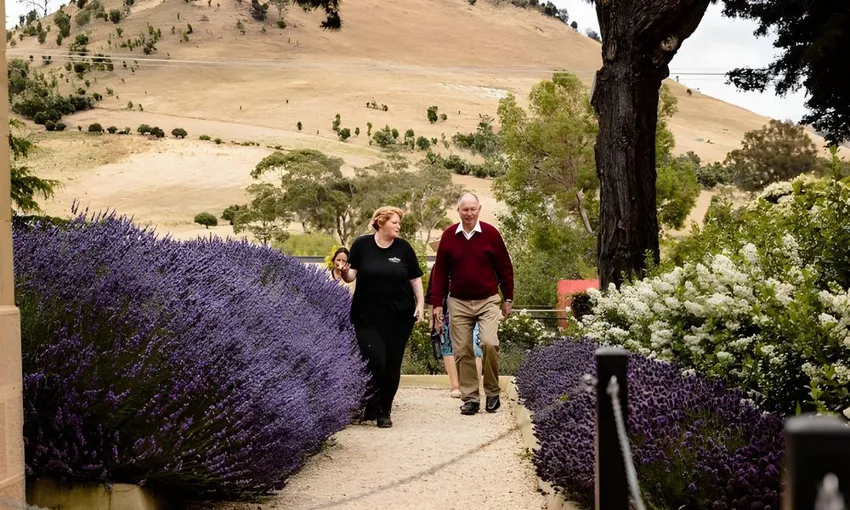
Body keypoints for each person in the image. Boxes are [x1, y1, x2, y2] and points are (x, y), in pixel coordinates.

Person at [339, 206, 424, 428]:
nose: (398, 226)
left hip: (399, 316)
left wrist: (421, 304)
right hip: (366, 315)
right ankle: (372, 402)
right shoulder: (361, 245)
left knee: (392, 364)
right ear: (381, 222)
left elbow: (415, 279)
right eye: (395, 222)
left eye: (399, 223)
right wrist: (342, 271)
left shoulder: (404, 248)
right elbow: (351, 276)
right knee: (376, 360)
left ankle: (384, 411)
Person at [430, 192, 514, 415]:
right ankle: (471, 398)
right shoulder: (449, 236)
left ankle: (492, 391)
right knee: (463, 349)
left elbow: (505, 268)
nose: (469, 213)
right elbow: (439, 273)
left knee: (489, 342)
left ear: (479, 209)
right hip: (458, 301)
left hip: (487, 299)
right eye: (464, 209)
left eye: (472, 209)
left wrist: (508, 298)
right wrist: (437, 303)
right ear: (458, 211)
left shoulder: (491, 234)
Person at [425, 264, 483, 398]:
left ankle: (474, 387)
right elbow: (432, 295)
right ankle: (455, 386)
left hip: (473, 309)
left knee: (475, 348)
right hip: (446, 312)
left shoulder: (473, 261)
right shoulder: (438, 267)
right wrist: (432, 320)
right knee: (448, 346)